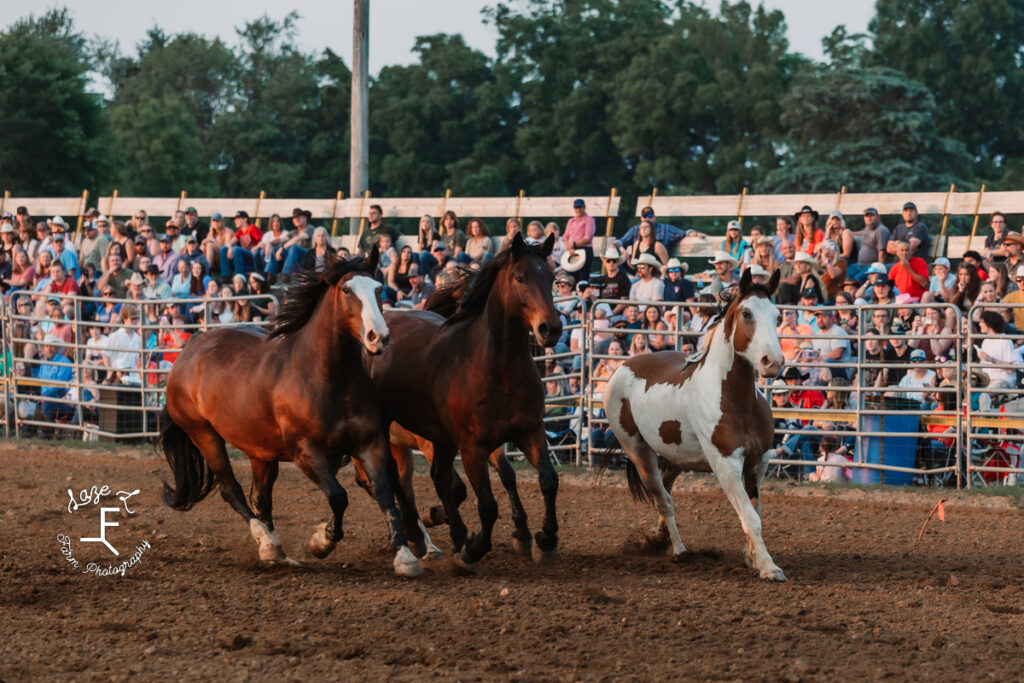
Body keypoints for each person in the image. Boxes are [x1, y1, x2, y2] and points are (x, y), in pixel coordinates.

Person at [619, 205, 705, 252]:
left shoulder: (665, 229)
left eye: (650, 215)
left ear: (654, 217)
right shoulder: (634, 230)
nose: (647, 218)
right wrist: (614, 246)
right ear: (641, 218)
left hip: (658, 267)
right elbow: (622, 241)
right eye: (645, 216)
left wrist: (694, 233)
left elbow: (683, 233)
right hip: (638, 269)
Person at [33, 335, 74, 422]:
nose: (47, 348)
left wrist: (44, 395)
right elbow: (40, 381)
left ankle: (43, 430)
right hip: (45, 398)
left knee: (47, 403)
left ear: (56, 347)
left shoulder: (65, 362)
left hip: (61, 399)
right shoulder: (44, 363)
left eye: (50, 345)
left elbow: (60, 384)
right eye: (46, 346)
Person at [220, 211, 262, 279]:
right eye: (235, 219)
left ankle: (239, 276)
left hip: (253, 256)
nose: (235, 221)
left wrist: (256, 247)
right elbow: (230, 242)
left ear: (245, 219)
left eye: (238, 219)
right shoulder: (240, 231)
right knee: (224, 249)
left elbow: (263, 242)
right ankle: (226, 276)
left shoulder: (252, 228)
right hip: (243, 256)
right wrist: (230, 247)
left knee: (236, 249)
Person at [851, 207, 890, 280]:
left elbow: (882, 254)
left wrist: (879, 272)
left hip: (871, 266)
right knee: (844, 275)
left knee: (854, 282)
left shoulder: (881, 230)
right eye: (867, 216)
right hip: (859, 265)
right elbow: (862, 233)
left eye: (872, 216)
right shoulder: (868, 228)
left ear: (878, 217)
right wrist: (849, 233)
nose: (869, 218)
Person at [563, 199, 596, 277]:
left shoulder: (589, 220)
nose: (578, 210)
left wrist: (573, 244)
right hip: (571, 250)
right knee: (571, 276)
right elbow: (565, 236)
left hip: (584, 249)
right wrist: (569, 247)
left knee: (582, 276)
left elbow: (587, 238)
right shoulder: (571, 221)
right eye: (576, 208)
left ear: (584, 208)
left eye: (580, 207)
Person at [597, 246, 633, 313]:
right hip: (601, 313)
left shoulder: (623, 278)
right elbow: (595, 299)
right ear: (605, 262)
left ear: (618, 262)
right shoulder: (600, 279)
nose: (611, 263)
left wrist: (611, 314)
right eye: (608, 260)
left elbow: (623, 302)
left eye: (614, 261)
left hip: (617, 315)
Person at [1002, 264, 1024, 330]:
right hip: (1017, 331)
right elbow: (1000, 308)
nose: (1022, 282)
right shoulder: (1012, 295)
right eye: (1019, 280)